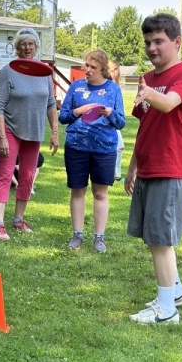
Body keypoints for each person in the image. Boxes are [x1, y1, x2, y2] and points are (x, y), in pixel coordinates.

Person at [125, 13, 182, 325]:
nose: (152, 48)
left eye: (159, 41)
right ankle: (176, 291)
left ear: (177, 42)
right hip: (149, 167)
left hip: (172, 168)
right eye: (148, 42)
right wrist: (133, 167)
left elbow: (167, 104)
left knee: (161, 241)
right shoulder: (148, 78)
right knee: (154, 237)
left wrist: (149, 93)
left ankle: (167, 311)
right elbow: (146, 126)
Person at [0, 27, 59, 240]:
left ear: (36, 47)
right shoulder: (8, 71)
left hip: (34, 131)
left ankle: (18, 219)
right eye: (23, 44)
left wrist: (55, 132)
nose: (27, 48)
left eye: (31, 44)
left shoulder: (44, 73)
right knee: (5, 174)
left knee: (28, 176)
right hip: (10, 129)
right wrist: (2, 136)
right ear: (17, 48)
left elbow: (50, 104)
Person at [59, 49, 125, 252]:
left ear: (102, 69)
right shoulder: (76, 87)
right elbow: (63, 117)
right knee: (78, 190)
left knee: (100, 193)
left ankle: (99, 238)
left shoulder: (113, 89)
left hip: (104, 149)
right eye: (86, 65)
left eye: (92, 67)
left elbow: (121, 122)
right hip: (76, 147)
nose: (87, 70)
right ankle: (77, 235)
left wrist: (110, 113)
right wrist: (77, 111)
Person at [108, 60, 125, 182]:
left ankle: (116, 173)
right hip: (110, 119)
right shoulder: (110, 86)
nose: (118, 72)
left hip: (116, 119)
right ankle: (115, 173)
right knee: (118, 146)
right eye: (117, 69)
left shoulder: (116, 85)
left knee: (120, 146)